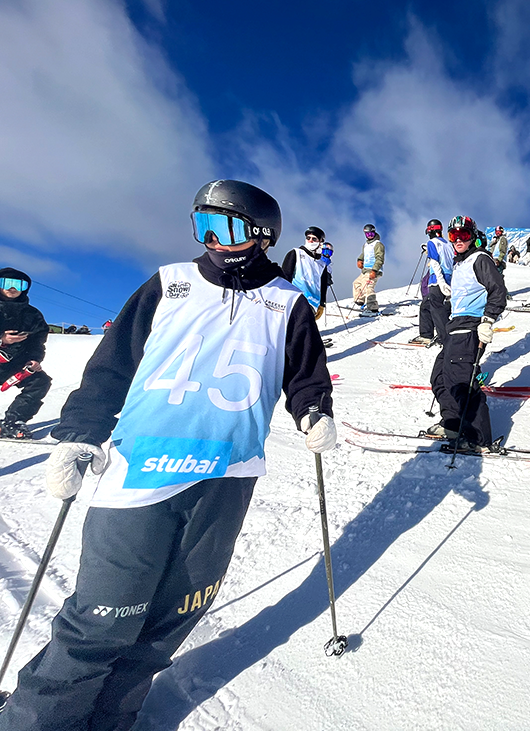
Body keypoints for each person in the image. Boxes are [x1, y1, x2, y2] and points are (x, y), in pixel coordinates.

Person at [0, 179, 336, 730]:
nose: (211, 240)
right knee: (102, 620)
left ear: (261, 234)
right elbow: (113, 365)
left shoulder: (287, 304)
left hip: (227, 475)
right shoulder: (169, 284)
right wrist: (82, 432)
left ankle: (111, 719)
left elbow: (304, 374)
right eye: (201, 226)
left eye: (223, 227)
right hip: (142, 472)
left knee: (171, 617)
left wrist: (313, 411)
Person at [427, 216, 506, 451]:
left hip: (471, 327)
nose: (459, 239)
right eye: (454, 235)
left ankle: (477, 438)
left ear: (473, 237)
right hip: (455, 327)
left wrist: (488, 320)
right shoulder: (459, 262)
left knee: (464, 382)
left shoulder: (480, 259)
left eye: (464, 235)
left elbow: (498, 291)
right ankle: (453, 423)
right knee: (440, 377)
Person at [0, 269, 52, 439]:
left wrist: (34, 360)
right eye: (6, 283)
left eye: (18, 284)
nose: (12, 288)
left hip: (15, 363)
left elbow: (37, 342)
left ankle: (13, 422)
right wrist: (2, 340)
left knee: (40, 382)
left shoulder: (33, 315)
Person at [411, 219, 453, 346]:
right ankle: (429, 334)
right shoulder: (449, 244)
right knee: (428, 306)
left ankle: (442, 337)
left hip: (437, 279)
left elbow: (434, 262)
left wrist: (440, 281)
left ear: (429, 232)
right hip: (449, 277)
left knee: (435, 308)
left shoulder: (432, 243)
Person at [281, 226, 332, 319]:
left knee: (304, 329)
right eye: (308, 238)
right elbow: (285, 276)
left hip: (312, 303)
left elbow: (323, 285)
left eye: (314, 239)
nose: (310, 241)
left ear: (320, 242)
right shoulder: (296, 253)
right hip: (295, 299)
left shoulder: (322, 264)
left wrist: (322, 304)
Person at [353, 223, 384, 316]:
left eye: (371, 234)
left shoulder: (378, 244)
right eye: (367, 234)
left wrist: (374, 270)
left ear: (374, 233)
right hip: (365, 270)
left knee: (368, 287)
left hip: (373, 270)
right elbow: (364, 254)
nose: (369, 236)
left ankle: (372, 308)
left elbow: (380, 258)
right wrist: (359, 260)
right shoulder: (366, 245)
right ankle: (359, 302)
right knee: (357, 283)